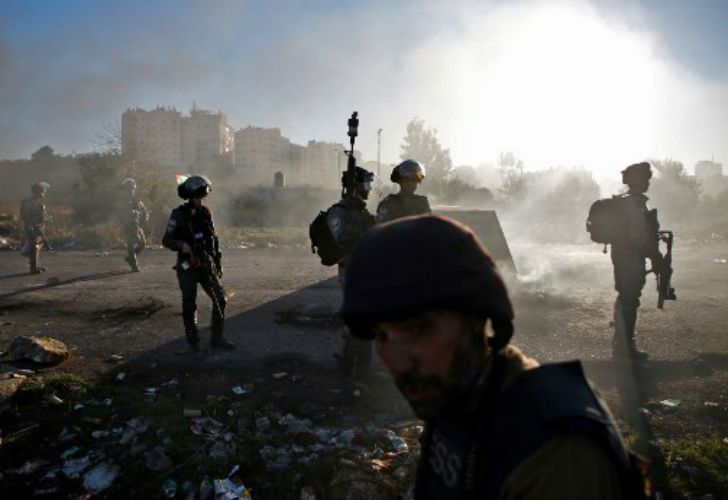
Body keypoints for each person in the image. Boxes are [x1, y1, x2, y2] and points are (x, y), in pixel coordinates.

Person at [340, 216, 651, 499]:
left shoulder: (553, 452)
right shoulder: (459, 392)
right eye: (382, 336)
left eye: (419, 330)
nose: (398, 361)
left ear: (476, 319)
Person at [162, 174, 234, 353]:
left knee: (221, 298)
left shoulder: (206, 213)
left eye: (203, 196)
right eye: (199, 196)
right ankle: (193, 341)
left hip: (206, 264)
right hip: (188, 265)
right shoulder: (178, 215)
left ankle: (216, 338)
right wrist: (182, 245)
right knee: (189, 303)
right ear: (191, 195)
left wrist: (218, 262)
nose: (202, 199)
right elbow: (166, 239)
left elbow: (213, 239)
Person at [327, 166, 376, 375]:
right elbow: (343, 239)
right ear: (354, 187)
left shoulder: (362, 212)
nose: (369, 189)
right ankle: (345, 365)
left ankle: (363, 367)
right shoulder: (340, 211)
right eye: (365, 184)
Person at [611, 162, 662, 360]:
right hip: (630, 257)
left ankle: (621, 340)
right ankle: (626, 346)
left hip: (623, 255)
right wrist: (654, 254)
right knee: (630, 299)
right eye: (645, 178)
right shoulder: (634, 203)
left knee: (625, 296)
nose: (648, 182)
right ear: (638, 180)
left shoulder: (625, 201)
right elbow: (638, 236)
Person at [119, 178, 149, 272]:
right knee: (131, 244)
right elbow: (120, 214)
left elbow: (144, 211)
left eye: (132, 188)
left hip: (137, 225)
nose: (130, 190)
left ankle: (130, 258)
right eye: (128, 188)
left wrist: (143, 218)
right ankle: (134, 265)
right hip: (128, 225)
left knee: (142, 243)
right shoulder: (122, 201)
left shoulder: (136, 200)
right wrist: (123, 222)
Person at [20, 182, 50, 274]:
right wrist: (31, 226)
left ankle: (37, 266)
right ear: (37, 192)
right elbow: (26, 215)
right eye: (42, 192)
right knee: (34, 247)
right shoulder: (30, 202)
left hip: (39, 226)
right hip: (33, 226)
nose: (43, 194)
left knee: (38, 247)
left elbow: (41, 215)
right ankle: (33, 268)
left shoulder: (38, 201)